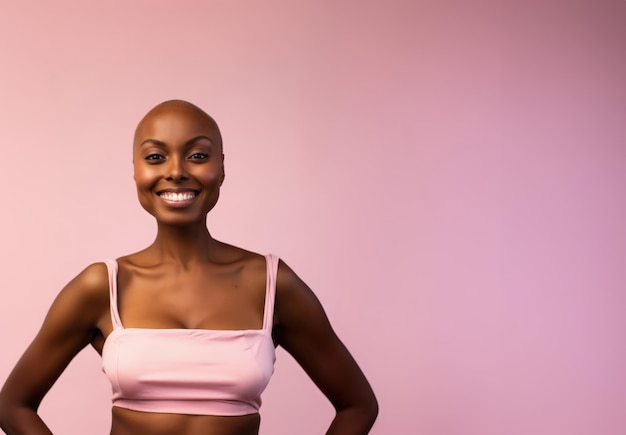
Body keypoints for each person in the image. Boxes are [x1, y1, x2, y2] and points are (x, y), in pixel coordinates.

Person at [0, 100, 378, 435]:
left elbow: (357, 406)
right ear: (135, 171)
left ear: (222, 168)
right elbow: (12, 405)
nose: (176, 171)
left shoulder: (270, 283)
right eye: (155, 157)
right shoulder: (104, 285)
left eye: (197, 155)